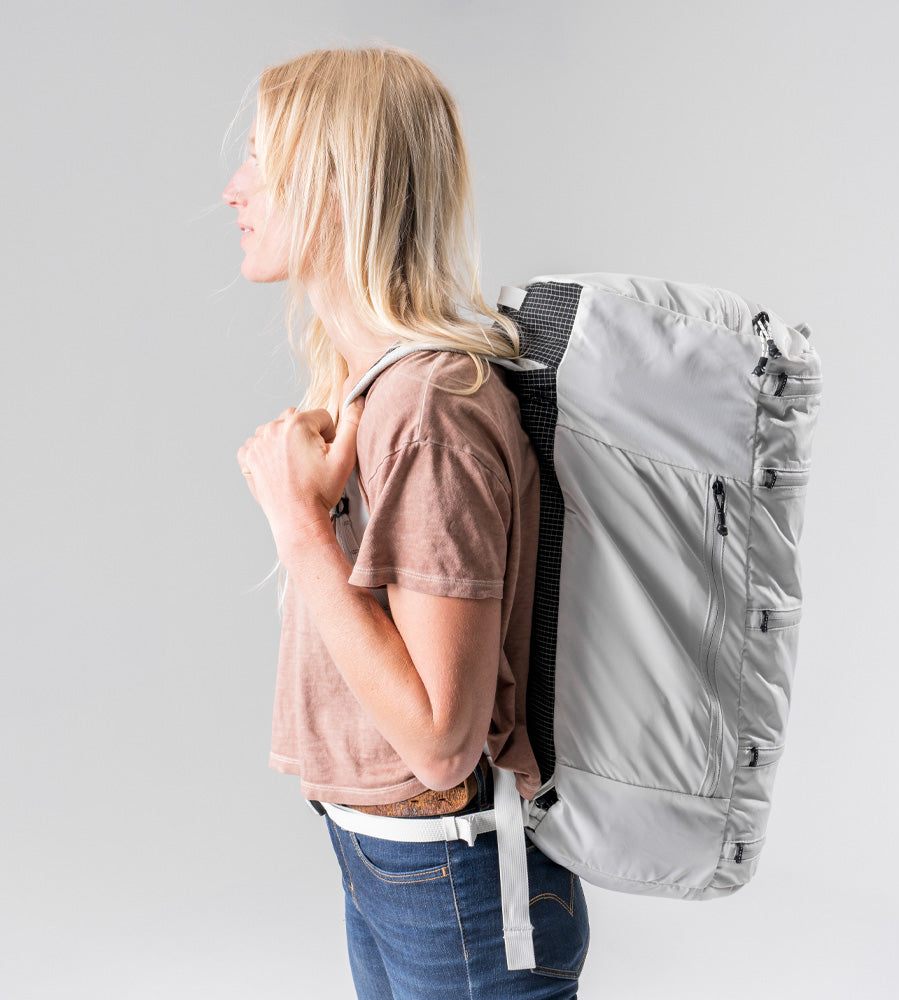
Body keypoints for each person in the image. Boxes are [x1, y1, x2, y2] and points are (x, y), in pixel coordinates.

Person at [223, 46, 589, 998]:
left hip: (451, 874)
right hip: (392, 858)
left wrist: (299, 526)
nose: (234, 189)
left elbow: (439, 737)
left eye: (262, 158)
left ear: (336, 183)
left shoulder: (430, 404)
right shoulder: (377, 391)